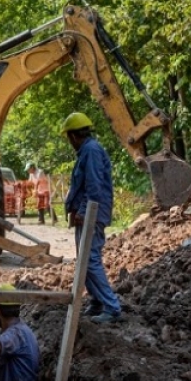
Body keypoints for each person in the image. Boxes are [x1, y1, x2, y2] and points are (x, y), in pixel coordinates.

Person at [61, 112, 123, 324]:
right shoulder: (87, 151)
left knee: (90, 259)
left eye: (68, 137)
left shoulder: (91, 151)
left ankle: (112, 307)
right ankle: (97, 301)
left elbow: (94, 186)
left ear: (73, 136)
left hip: (92, 215)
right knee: (84, 260)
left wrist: (84, 210)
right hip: (88, 214)